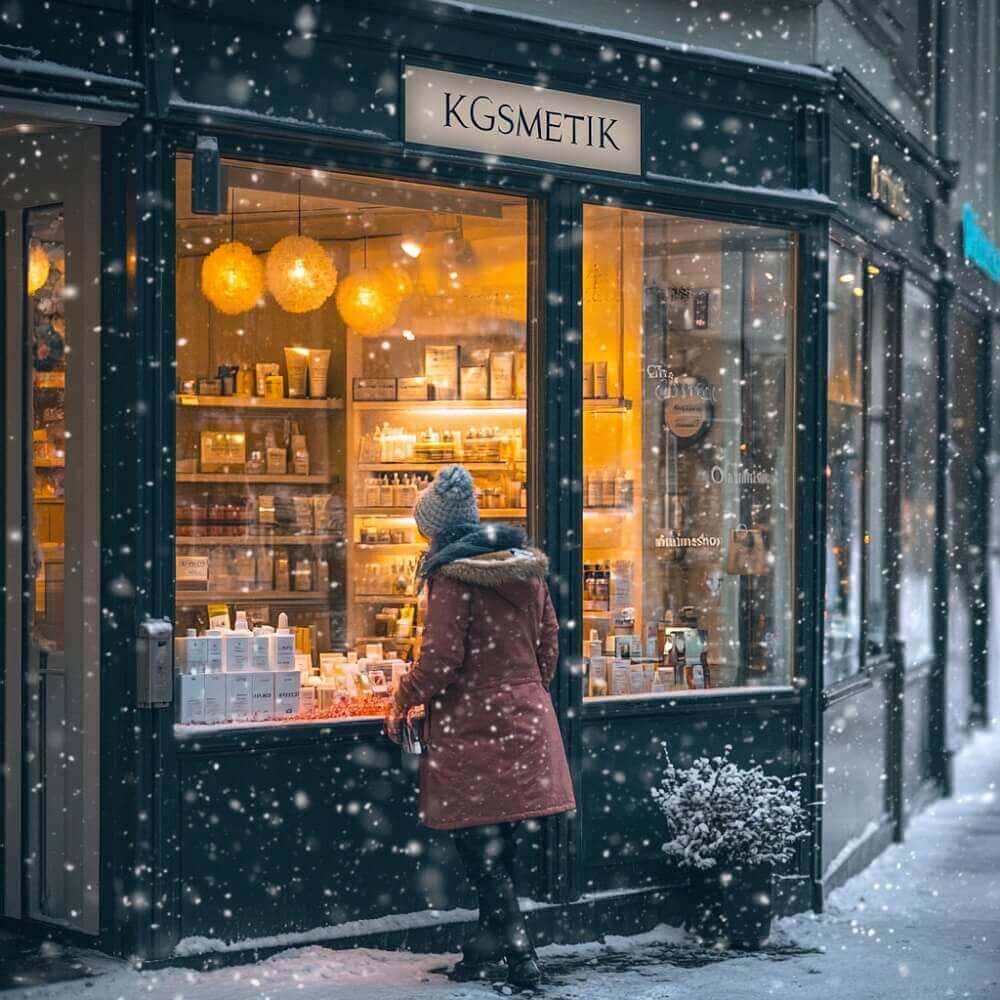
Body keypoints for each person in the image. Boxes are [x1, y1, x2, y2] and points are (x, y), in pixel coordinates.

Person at [386, 464, 575, 989]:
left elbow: (441, 659)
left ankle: (522, 958)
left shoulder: (452, 575)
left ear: (436, 530)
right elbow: (550, 644)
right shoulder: (526, 570)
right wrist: (521, 689)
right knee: (502, 845)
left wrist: (403, 696)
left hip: (475, 727)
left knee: (477, 847)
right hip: (526, 719)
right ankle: (485, 949)